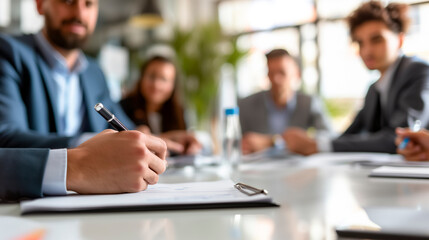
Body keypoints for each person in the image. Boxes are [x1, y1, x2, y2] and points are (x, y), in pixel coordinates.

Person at [284, 1, 429, 155]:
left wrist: (319, 146)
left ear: (400, 40)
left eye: (377, 40)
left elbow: (401, 138)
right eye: (360, 43)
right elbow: (350, 134)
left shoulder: (418, 72)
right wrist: (311, 141)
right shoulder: (374, 89)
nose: (366, 51)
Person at [0, 0, 135, 148]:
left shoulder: (94, 72)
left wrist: (145, 136)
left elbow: (123, 126)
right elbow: (6, 136)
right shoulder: (8, 53)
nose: (80, 14)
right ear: (40, 5)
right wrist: (86, 144)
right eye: (68, 1)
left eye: (88, 4)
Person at [0, 130, 167, 201]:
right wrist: (76, 162)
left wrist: (156, 137)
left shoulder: (94, 73)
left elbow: (127, 128)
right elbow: (6, 134)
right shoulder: (12, 57)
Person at [238, 49, 333, 155]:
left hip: (300, 169)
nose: (276, 79)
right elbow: (235, 142)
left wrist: (273, 141)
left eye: (282, 73)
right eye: (271, 73)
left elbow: (329, 136)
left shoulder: (308, 103)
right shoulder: (247, 105)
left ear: (297, 74)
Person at [120, 56, 201, 155]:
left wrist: (190, 146)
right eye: (151, 76)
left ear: (173, 85)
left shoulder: (179, 112)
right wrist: (169, 139)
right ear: (141, 78)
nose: (156, 85)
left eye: (164, 79)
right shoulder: (122, 107)